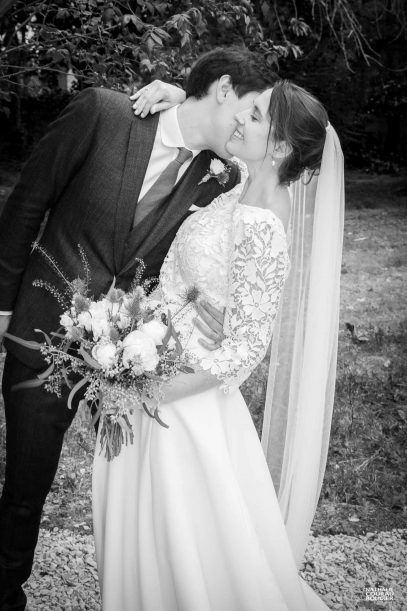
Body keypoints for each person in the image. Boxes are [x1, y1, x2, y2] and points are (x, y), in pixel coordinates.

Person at [0, 47, 271, 610]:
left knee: (150, 486)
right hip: (43, 333)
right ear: (223, 88)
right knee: (25, 488)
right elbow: (26, 205)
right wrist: (1, 308)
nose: (248, 126)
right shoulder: (102, 113)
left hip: (132, 363)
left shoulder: (221, 179)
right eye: (248, 109)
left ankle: (157, 589)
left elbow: (231, 236)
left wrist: (219, 306)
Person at [92, 79, 344, 609]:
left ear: (279, 146)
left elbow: (247, 346)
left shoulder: (264, 222)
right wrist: (180, 95)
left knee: (183, 536)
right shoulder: (243, 180)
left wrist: (158, 390)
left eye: (254, 116)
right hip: (153, 358)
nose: (239, 119)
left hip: (183, 398)